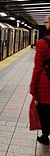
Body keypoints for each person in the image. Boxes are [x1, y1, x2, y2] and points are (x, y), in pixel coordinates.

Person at [30, 15, 50, 145]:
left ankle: (45, 136)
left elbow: (38, 68)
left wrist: (33, 87)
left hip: (46, 83)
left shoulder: (42, 43)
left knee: (44, 111)